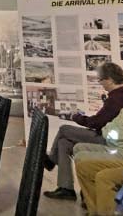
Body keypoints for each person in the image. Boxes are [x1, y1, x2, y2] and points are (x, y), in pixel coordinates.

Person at [44, 63, 123, 200]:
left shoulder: (115, 98)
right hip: (106, 134)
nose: (100, 83)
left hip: (106, 138)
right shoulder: (117, 95)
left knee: (64, 129)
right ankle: (66, 188)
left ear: (110, 79)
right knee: (63, 143)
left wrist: (75, 117)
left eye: (101, 80)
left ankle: (51, 160)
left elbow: (96, 123)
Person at [74, 108, 123, 215]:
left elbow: (116, 134)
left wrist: (108, 131)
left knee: (104, 177)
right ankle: (95, 211)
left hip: (119, 153)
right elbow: (110, 127)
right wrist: (109, 131)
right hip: (114, 148)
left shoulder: (115, 100)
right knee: (83, 167)